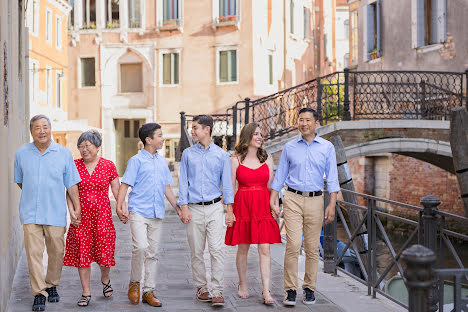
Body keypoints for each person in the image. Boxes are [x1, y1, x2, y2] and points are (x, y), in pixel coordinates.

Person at [269, 107, 339, 306]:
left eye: (308, 120)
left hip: (316, 200)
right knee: (292, 245)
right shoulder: (290, 147)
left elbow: (332, 179)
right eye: (301, 120)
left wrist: (331, 205)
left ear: (316, 123)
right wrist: (273, 199)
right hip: (292, 198)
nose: (304, 123)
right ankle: (290, 290)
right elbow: (280, 174)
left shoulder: (327, 148)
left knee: (311, 247)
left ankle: (309, 289)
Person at [14, 115, 82, 311]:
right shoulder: (21, 154)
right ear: (31, 131)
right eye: (37, 128)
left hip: (55, 212)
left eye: (45, 127)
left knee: (56, 252)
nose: (41, 131)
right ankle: (39, 292)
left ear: (50, 129)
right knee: (33, 254)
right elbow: (21, 181)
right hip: (30, 213)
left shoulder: (63, 154)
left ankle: (52, 284)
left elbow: (71, 183)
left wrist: (76, 206)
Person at [116, 123, 180, 307]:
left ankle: (148, 290)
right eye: (160, 136)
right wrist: (120, 206)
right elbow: (125, 184)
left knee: (152, 253)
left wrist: (176, 206)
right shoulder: (136, 161)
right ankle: (135, 283)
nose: (163, 139)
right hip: (138, 211)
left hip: (156, 212)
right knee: (141, 247)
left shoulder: (162, 162)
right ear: (148, 140)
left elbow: (166, 186)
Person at [178, 115, 234, 307]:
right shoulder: (187, 154)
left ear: (207, 129)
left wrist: (230, 210)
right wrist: (183, 207)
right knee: (196, 251)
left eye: (195, 128)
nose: (192, 131)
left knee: (217, 250)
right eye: (192, 128)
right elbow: (183, 182)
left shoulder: (221, 155)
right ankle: (202, 287)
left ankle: (217, 289)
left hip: (215, 208)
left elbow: (227, 185)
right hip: (193, 208)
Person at [225, 123, 281, 305]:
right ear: (247, 136)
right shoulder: (235, 160)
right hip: (243, 206)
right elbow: (230, 188)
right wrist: (230, 211)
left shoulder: (267, 158)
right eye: (256, 134)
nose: (259, 137)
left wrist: (275, 205)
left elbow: (273, 186)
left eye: (261, 134)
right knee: (243, 248)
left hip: (263, 206)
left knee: (265, 248)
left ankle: (266, 291)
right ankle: (242, 284)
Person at [63, 130, 120, 307]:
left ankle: (105, 279)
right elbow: (69, 191)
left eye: (87, 145)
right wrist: (71, 211)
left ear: (97, 146)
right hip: (81, 218)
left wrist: (122, 208)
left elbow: (117, 191)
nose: (83, 149)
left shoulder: (108, 165)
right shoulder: (74, 165)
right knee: (82, 253)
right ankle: (86, 292)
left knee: (104, 251)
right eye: (81, 146)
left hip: (102, 217)